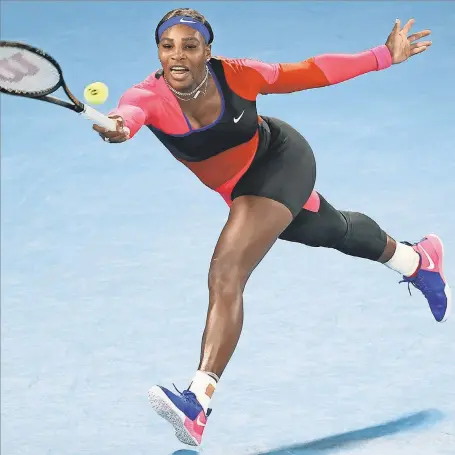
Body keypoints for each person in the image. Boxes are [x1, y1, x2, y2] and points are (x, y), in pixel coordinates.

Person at [93, 8, 450, 446]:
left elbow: (311, 72)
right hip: (239, 188)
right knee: (331, 231)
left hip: (280, 159)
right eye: (168, 47)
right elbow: (127, 116)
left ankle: (198, 402)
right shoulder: (148, 96)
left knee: (227, 273)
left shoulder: (239, 75)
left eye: (190, 46)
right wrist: (117, 127)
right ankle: (418, 259)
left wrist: (382, 55)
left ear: (209, 50)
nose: (178, 56)